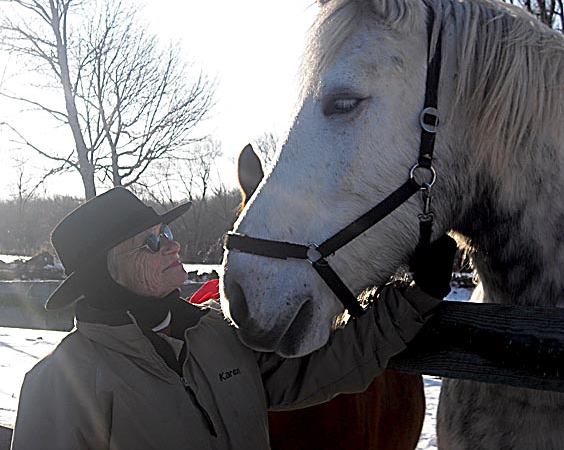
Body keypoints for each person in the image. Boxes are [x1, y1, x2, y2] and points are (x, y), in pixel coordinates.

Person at [10, 187, 456, 450]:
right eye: (149, 242)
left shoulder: (218, 335)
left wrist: (417, 296)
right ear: (105, 274)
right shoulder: (59, 384)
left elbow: (326, 367)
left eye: (166, 232)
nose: (172, 245)